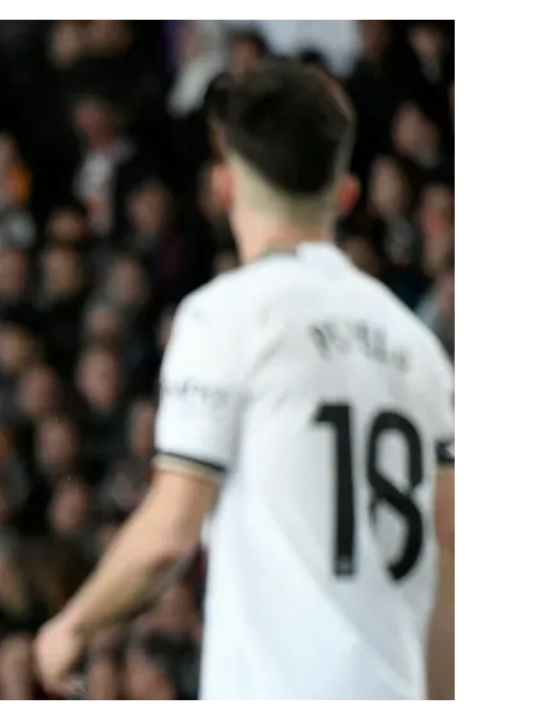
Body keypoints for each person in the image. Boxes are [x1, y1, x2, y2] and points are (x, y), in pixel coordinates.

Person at [33, 60, 455, 701]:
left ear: (223, 187)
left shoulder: (225, 315)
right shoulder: (418, 345)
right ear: (345, 195)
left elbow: (172, 531)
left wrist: (73, 625)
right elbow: (449, 552)